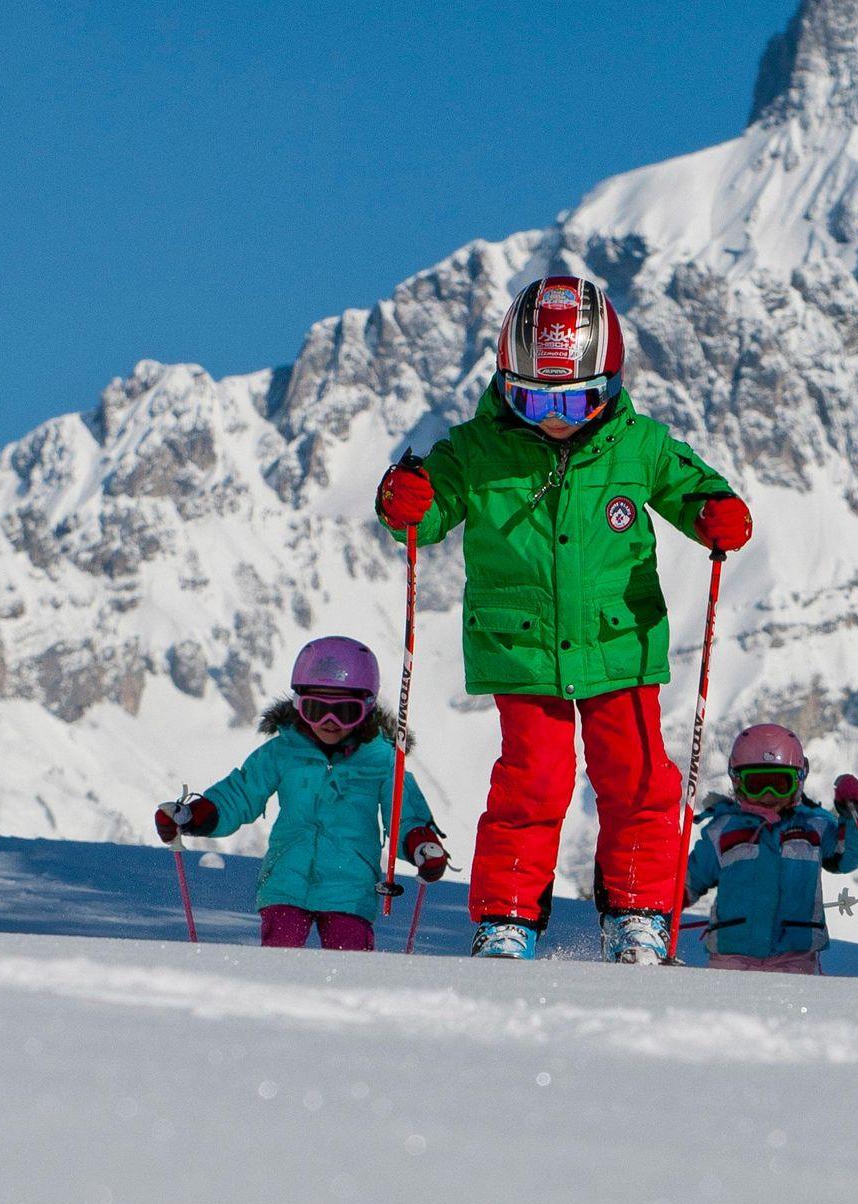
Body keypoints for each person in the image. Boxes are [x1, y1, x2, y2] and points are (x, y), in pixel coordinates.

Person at [372, 275, 752, 962]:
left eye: (575, 400)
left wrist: (713, 514)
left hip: (619, 642)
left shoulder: (639, 445)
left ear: (610, 385)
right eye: (533, 399)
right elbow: (426, 513)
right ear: (503, 384)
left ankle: (638, 913)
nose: (554, 417)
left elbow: (695, 489)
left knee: (639, 778)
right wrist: (407, 502)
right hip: (524, 649)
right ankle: (506, 918)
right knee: (533, 781)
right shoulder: (475, 450)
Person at [154, 636, 447, 950]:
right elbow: (242, 793)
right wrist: (197, 815)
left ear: (367, 708)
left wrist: (420, 842)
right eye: (315, 709)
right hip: (286, 882)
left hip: (350, 889)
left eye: (345, 712)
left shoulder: (382, 762)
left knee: (348, 962)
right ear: (298, 706)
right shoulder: (283, 751)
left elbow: (403, 814)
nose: (329, 722)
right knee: (280, 955)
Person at [682, 724, 858, 973]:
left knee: (793, 1000)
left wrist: (854, 813)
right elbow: (689, 881)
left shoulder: (814, 826)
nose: (768, 795)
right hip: (732, 955)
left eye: (780, 784)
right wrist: (659, 908)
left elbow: (848, 856)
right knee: (727, 1001)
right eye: (757, 784)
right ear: (737, 781)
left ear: (799, 780)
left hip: (795, 955)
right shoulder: (723, 830)